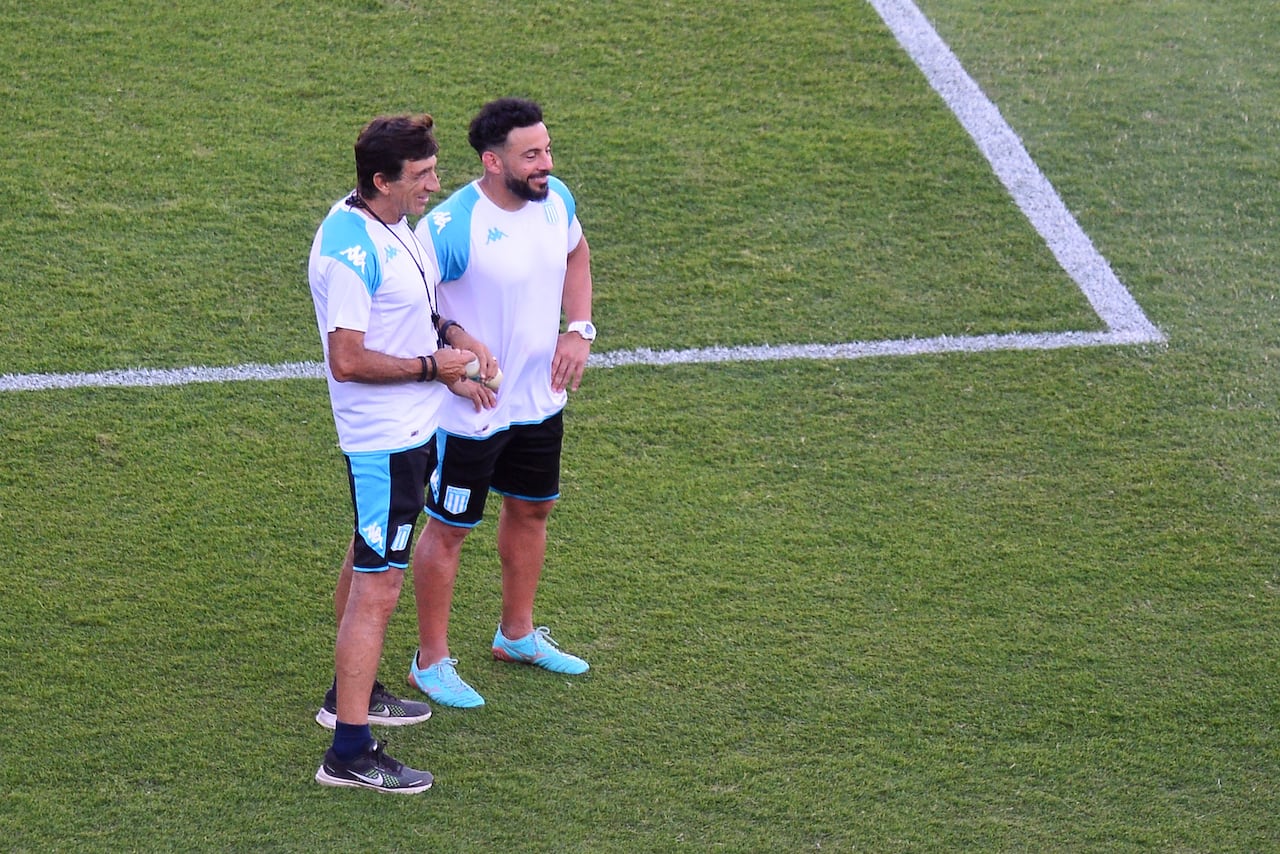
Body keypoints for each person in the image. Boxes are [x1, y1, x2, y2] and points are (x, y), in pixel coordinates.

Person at [307, 113, 493, 792]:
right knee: (380, 586)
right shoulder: (350, 250)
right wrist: (433, 368)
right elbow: (348, 359)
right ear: (382, 180)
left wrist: (455, 338)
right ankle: (349, 753)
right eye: (421, 176)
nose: (436, 185)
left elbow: (413, 304)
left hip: (410, 428)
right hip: (383, 439)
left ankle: (346, 697)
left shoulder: (386, 222)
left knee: (367, 558)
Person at [407, 97, 596, 709]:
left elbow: (576, 252)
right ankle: (429, 660)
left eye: (547, 150)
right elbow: (412, 309)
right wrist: (453, 369)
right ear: (492, 161)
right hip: (470, 412)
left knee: (532, 511)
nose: (547, 163)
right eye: (532, 154)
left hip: (538, 401)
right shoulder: (450, 228)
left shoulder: (556, 200)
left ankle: (516, 634)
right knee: (450, 529)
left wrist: (579, 328)